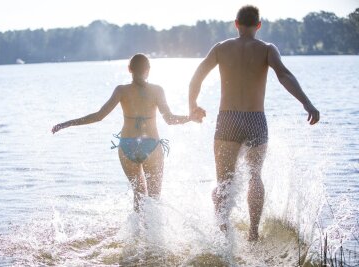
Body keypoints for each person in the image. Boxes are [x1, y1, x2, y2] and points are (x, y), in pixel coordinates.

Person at [188, 5, 320, 241]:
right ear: (258, 25)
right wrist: (307, 104)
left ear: (236, 23)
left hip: (227, 118)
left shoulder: (221, 48)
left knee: (223, 182)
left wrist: (192, 105)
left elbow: (197, 75)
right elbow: (285, 76)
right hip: (255, 119)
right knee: (255, 176)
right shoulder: (267, 49)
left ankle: (223, 233)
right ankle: (253, 232)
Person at [52, 54, 202, 212]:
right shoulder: (157, 90)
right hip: (151, 145)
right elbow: (170, 119)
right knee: (154, 199)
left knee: (138, 197)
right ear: (148, 70)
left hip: (127, 146)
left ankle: (137, 234)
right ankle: (153, 235)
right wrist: (190, 118)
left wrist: (66, 124)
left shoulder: (121, 90)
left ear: (129, 69)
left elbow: (98, 116)